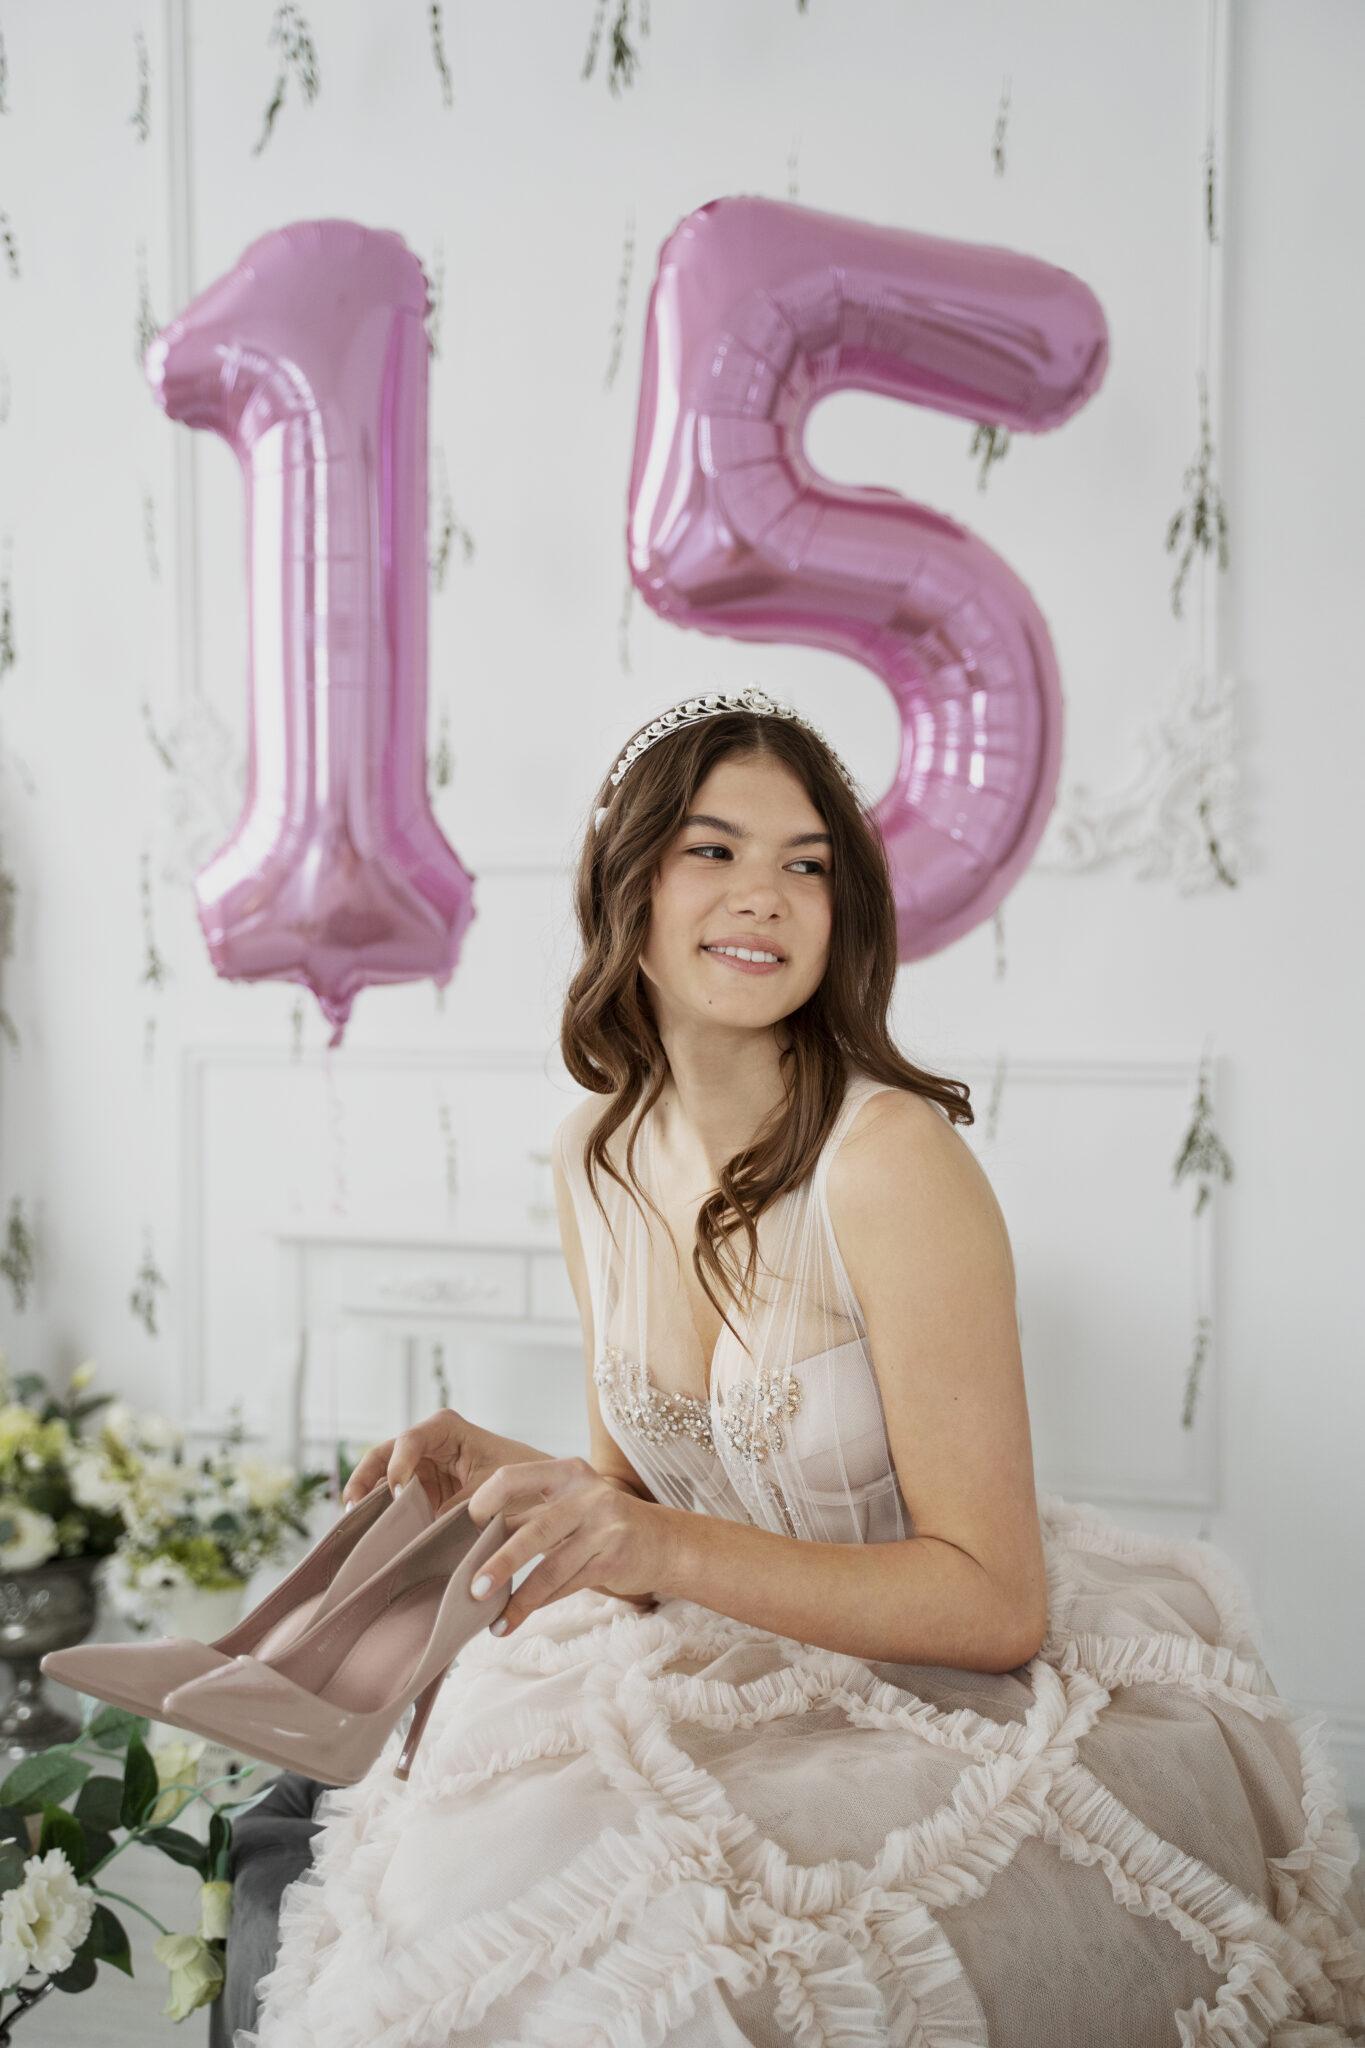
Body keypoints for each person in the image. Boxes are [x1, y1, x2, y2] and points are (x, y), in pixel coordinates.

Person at [235, 687, 1365, 2046]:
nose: (762, 895)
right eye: (712, 851)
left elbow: (994, 1604)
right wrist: (501, 1464)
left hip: (934, 1695)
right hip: (718, 1666)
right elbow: (640, 1493)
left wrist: (650, 1546)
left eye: (805, 864)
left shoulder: (892, 1163)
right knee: (481, 1908)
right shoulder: (593, 1149)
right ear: (628, 895)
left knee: (671, 1964)